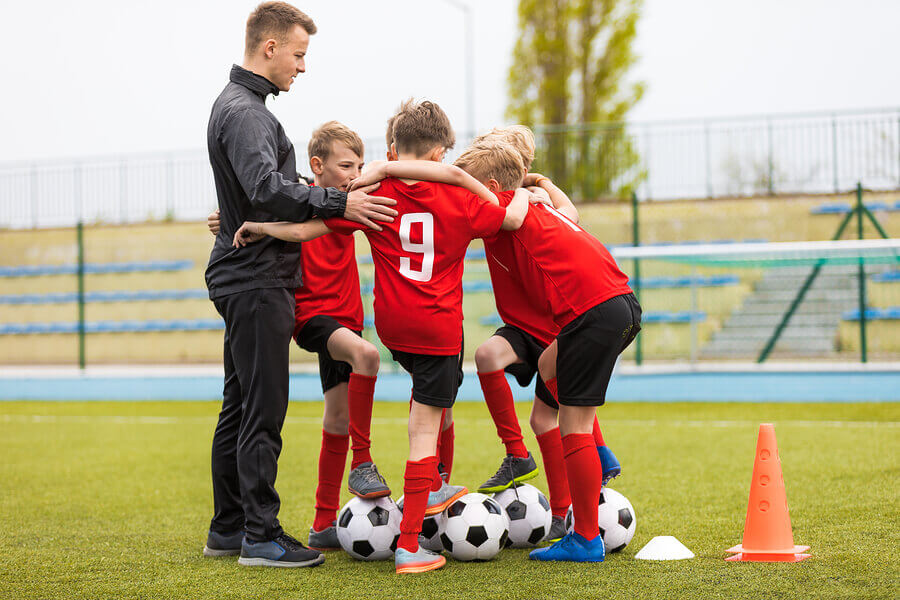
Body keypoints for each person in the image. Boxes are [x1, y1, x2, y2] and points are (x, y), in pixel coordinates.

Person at [232, 99, 535, 574]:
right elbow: (510, 217)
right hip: (437, 329)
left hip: (393, 329)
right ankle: (412, 542)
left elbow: (313, 227)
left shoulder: (377, 193)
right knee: (425, 430)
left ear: (395, 147)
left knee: (433, 405)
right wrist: (528, 192)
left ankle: (423, 488)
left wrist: (262, 226)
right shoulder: (461, 199)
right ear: (440, 156)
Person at [202, 2, 397, 568]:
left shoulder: (242, 107)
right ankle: (260, 536)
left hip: (246, 276)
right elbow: (266, 189)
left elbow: (254, 193)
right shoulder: (245, 112)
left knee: (239, 407)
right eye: (299, 54)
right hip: (256, 280)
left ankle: (229, 528)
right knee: (261, 409)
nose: (302, 67)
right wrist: (339, 200)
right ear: (270, 49)